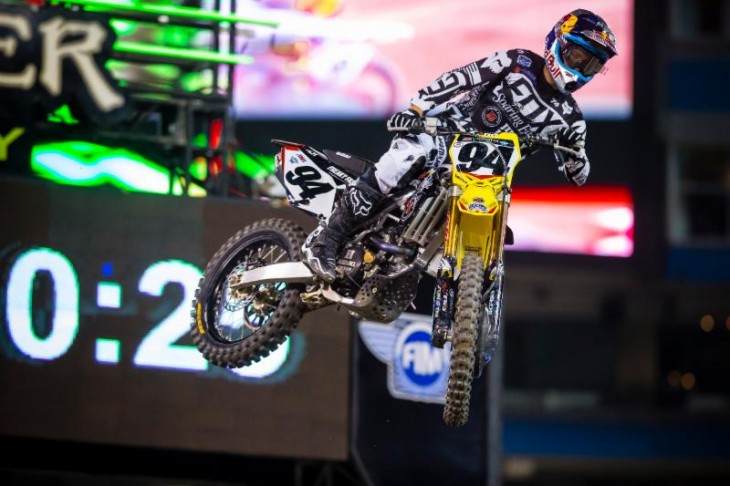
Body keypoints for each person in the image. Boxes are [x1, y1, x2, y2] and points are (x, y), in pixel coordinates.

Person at [303, 8, 618, 282]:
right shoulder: (516, 61)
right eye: (578, 56)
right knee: (402, 160)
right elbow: (461, 77)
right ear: (558, 42)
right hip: (444, 136)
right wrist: (417, 108)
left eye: (591, 64)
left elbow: (579, 174)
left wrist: (576, 155)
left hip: (491, 177)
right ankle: (327, 240)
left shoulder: (571, 118)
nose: (581, 68)